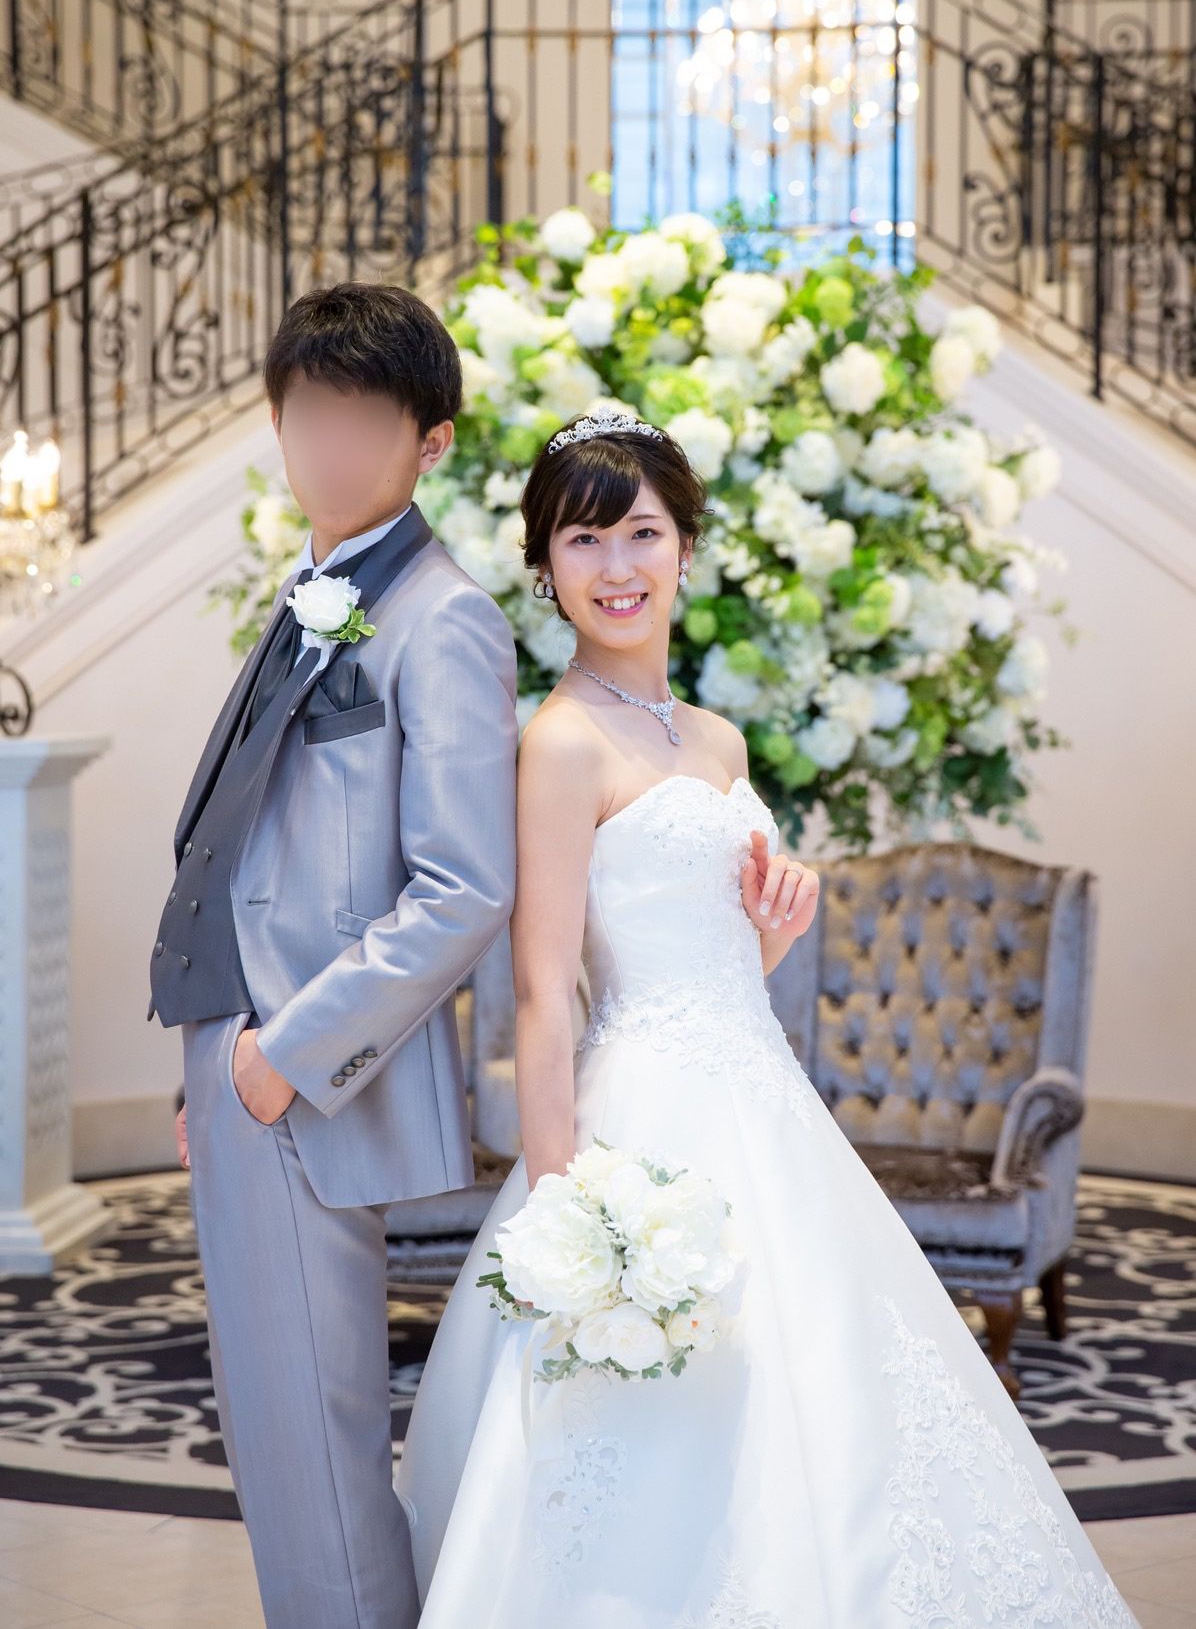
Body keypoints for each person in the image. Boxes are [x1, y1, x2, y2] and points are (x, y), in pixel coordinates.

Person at [394, 406, 1140, 1628]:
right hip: (639, 1116)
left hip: (760, 1093)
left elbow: (723, 950)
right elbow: (544, 990)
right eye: (583, 540)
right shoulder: (560, 744)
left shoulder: (717, 738)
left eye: (641, 532)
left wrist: (773, 929)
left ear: (687, 546)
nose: (617, 566)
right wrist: (563, 1203)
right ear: (545, 568)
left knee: (834, 1400)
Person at [147, 281, 519, 1629]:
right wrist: (209, 1063)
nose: (332, 444)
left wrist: (278, 1060)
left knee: (317, 1444)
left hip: (305, 1078)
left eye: (367, 418)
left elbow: (466, 887)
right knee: (278, 1437)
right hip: (242, 1061)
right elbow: (259, 843)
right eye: (311, 412)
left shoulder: (443, 614)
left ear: (433, 440)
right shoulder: (316, 590)